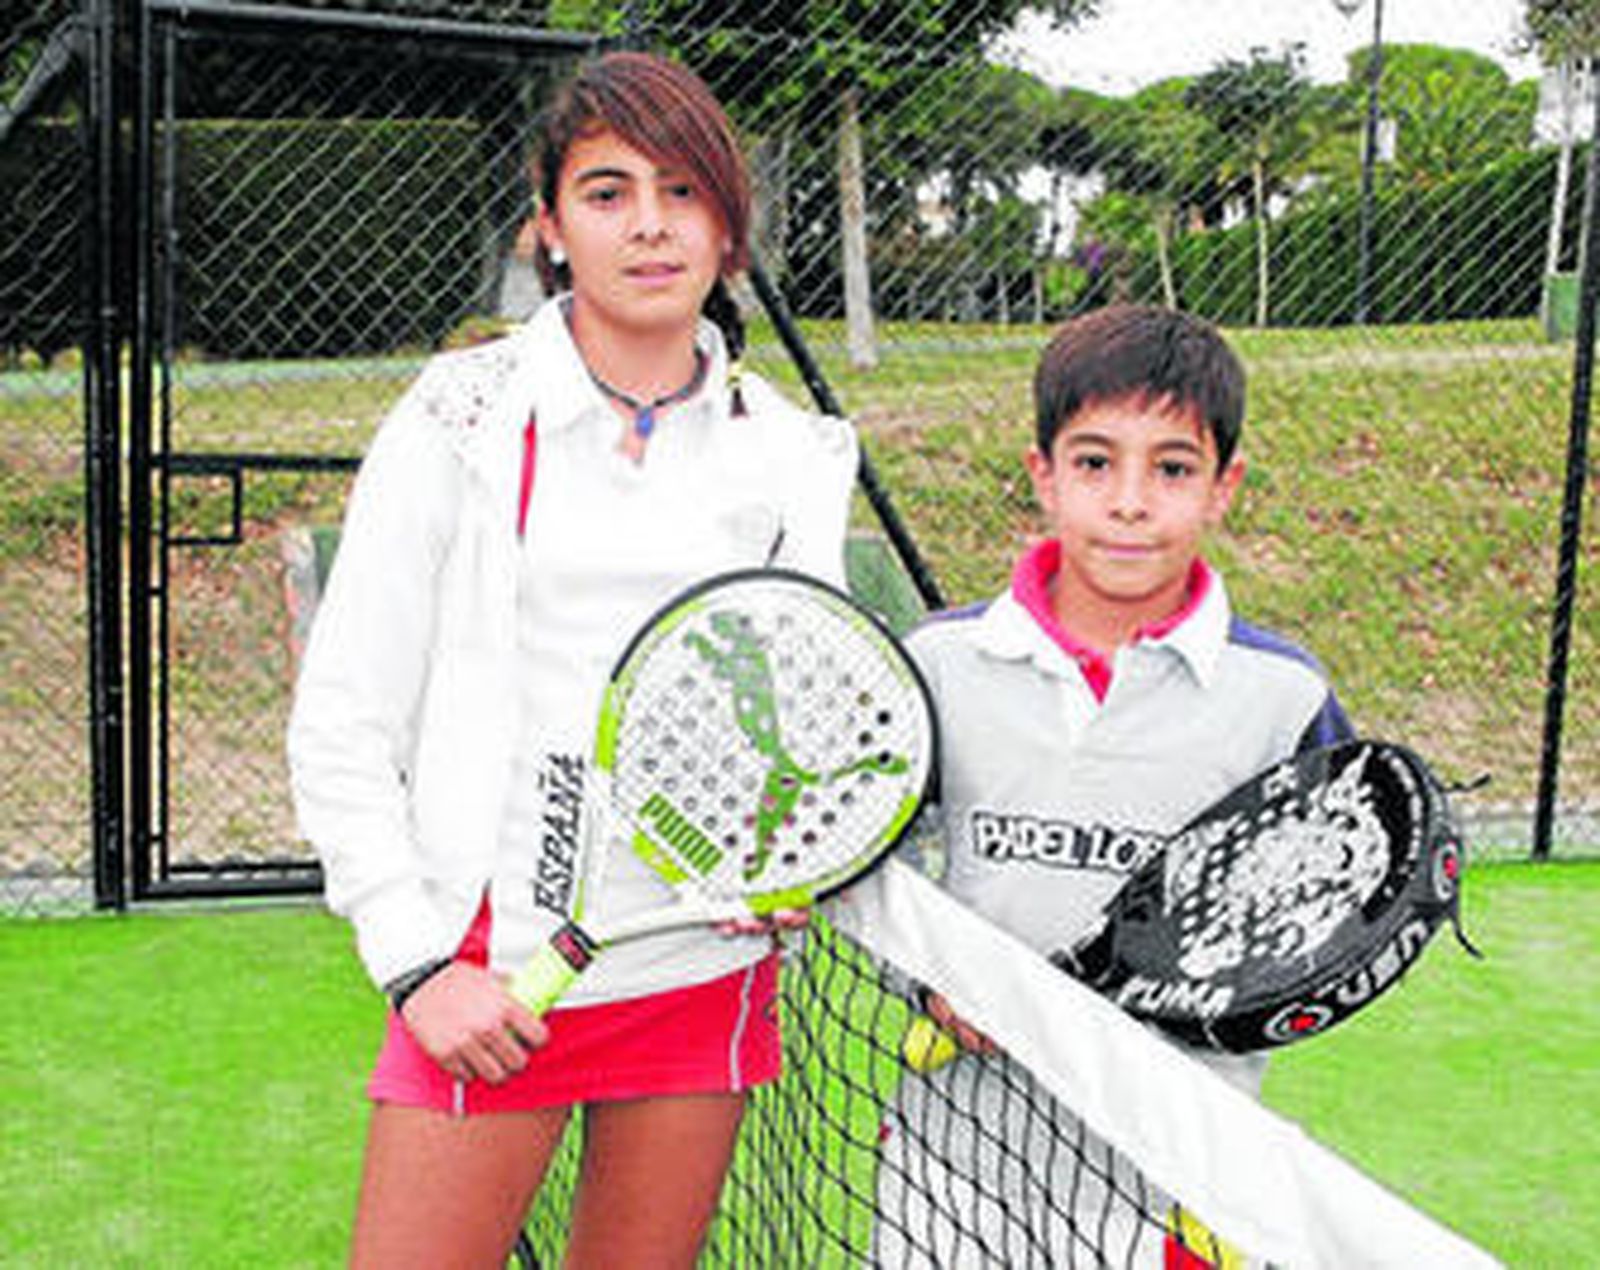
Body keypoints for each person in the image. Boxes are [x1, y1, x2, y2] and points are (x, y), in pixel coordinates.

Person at [287, 51, 857, 1269]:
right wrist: (417, 960)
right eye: (606, 192)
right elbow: (343, 716)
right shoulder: (456, 414)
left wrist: (792, 851)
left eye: (683, 190)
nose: (648, 225)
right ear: (550, 227)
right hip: (491, 986)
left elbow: (801, 714)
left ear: (730, 227)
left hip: (701, 959)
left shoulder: (797, 456)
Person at [874, 304, 1353, 1267]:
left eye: (1172, 468)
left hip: (1176, 1184)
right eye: (1095, 463)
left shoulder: (1285, 698)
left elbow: (1321, 923)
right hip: (951, 1163)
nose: (1130, 501)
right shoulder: (937, 666)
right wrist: (936, 990)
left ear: (1225, 487)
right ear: (1042, 475)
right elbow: (867, 868)